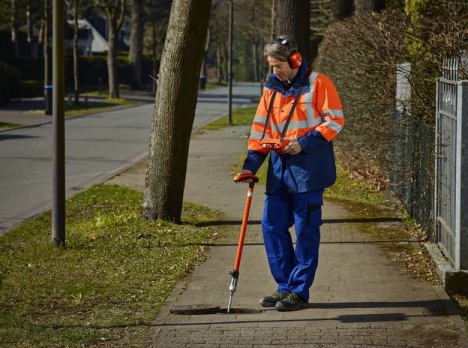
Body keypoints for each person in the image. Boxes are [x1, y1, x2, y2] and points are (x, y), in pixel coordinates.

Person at [236, 35, 345, 311]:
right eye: (272, 66)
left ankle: (298, 291)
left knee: (306, 231)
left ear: (295, 60)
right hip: (278, 170)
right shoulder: (270, 89)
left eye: (279, 65)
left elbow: (335, 120)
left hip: (309, 172)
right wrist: (250, 167)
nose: (275, 71)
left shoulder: (319, 83)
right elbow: (260, 130)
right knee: (271, 227)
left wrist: (303, 144)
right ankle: (285, 287)